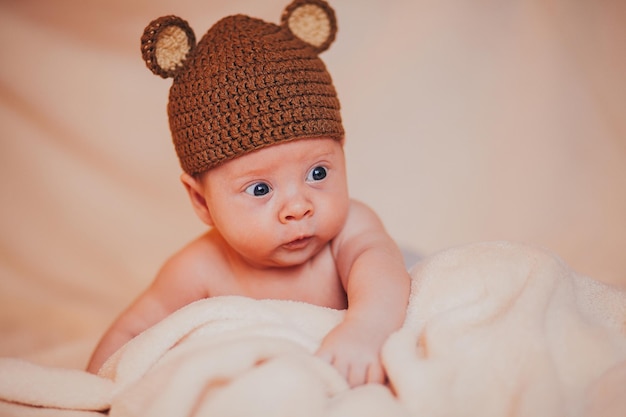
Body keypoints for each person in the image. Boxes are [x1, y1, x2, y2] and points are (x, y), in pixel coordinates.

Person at [87, 0, 411, 387]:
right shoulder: (201, 267)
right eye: (260, 189)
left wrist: (365, 330)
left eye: (318, 172)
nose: (297, 207)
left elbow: (385, 274)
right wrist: (94, 390)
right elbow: (132, 333)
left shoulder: (351, 230)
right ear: (202, 202)